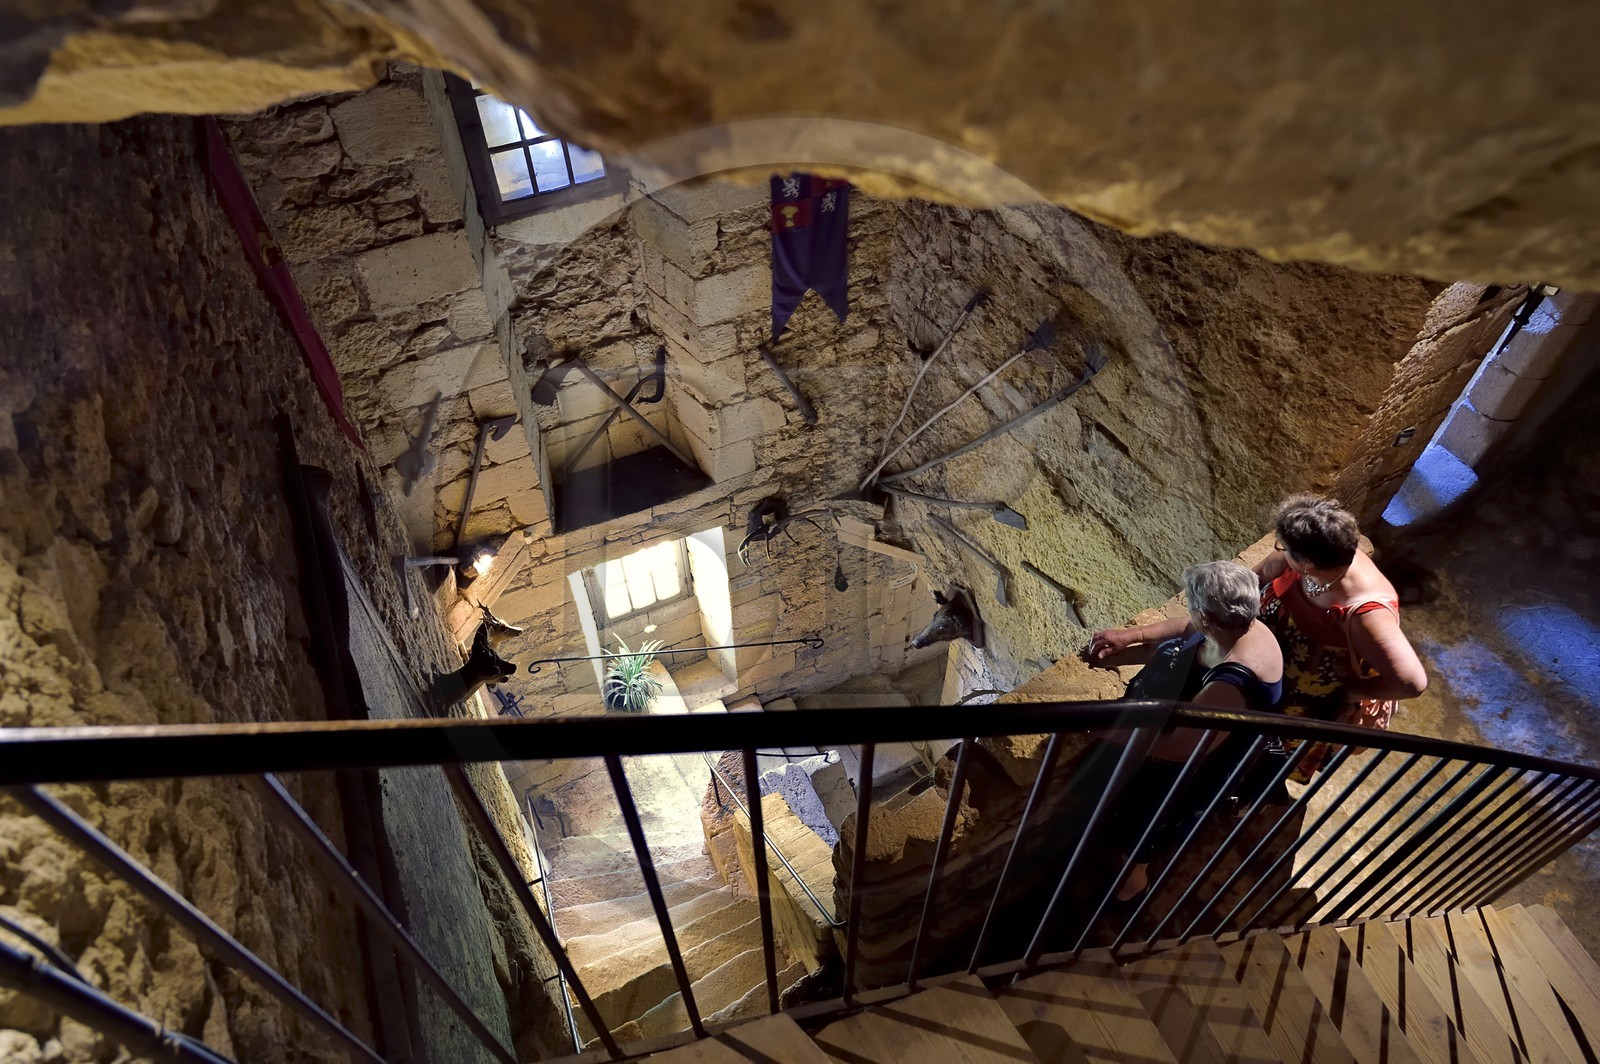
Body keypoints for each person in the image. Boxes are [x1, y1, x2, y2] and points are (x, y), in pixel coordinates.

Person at [1084, 561, 1284, 901]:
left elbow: (1182, 749)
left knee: (1152, 817)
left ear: (1207, 616)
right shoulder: (1237, 624)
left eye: (1192, 604)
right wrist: (1134, 635)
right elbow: (1189, 627)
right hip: (1194, 728)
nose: (1189, 612)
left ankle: (1130, 885)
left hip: (1206, 760)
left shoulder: (1234, 679)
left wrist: (1107, 732)